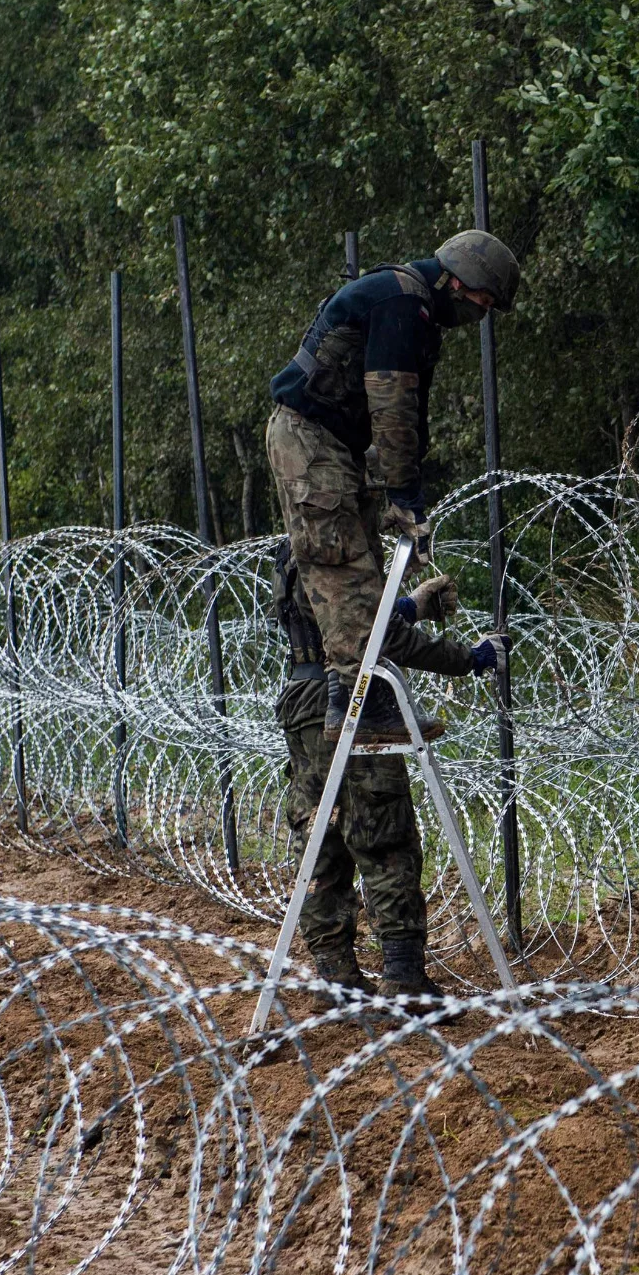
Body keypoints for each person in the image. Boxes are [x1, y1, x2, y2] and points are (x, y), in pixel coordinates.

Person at [267, 230, 520, 749]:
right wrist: (404, 495)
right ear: (459, 279)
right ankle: (360, 705)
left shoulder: (413, 305)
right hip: (311, 441)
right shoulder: (403, 302)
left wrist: (401, 492)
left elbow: (408, 419)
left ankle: (354, 698)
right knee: (343, 569)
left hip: (335, 446)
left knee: (361, 574)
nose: (481, 312)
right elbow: (393, 408)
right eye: (483, 300)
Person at [274, 540, 505, 999]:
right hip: (348, 699)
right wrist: (470, 658)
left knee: (322, 840)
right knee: (384, 837)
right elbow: (375, 636)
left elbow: (343, 619)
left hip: (302, 701)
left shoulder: (297, 548)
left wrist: (409, 606)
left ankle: (335, 976)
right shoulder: (337, 548)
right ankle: (404, 979)